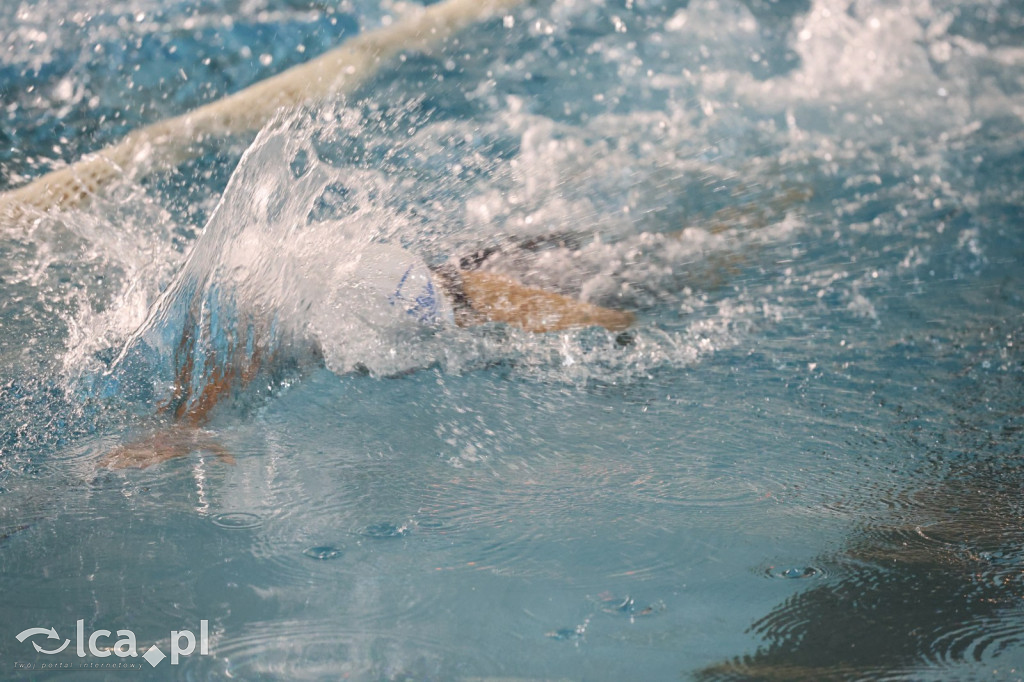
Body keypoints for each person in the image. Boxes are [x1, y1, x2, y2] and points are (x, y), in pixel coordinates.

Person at [100, 239, 634, 469]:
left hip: (563, 278)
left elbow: (478, 294)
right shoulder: (283, 310)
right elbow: (241, 344)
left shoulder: (368, 288)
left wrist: (614, 325)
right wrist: (187, 426)